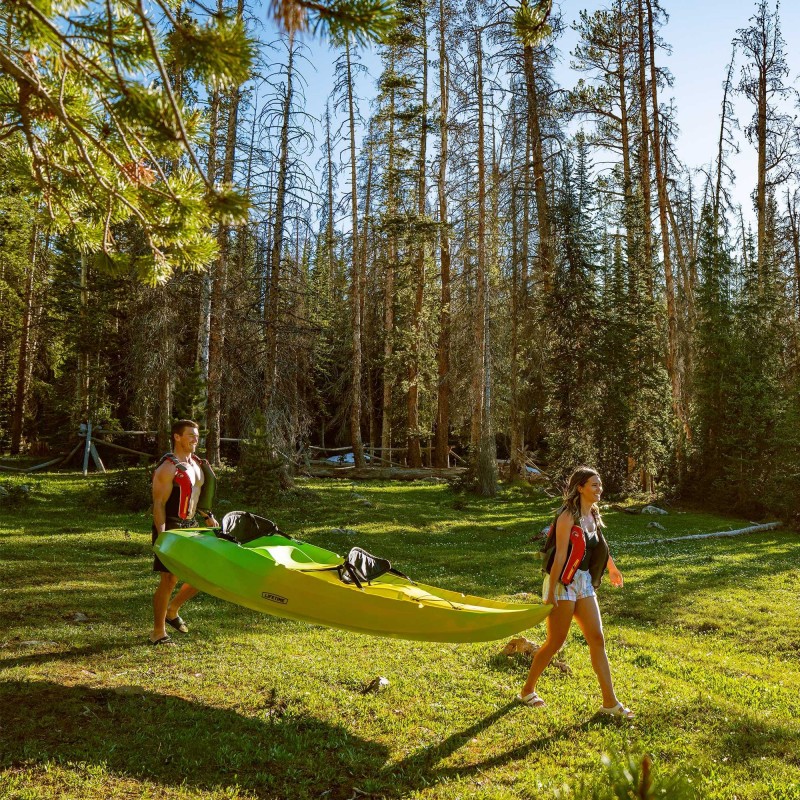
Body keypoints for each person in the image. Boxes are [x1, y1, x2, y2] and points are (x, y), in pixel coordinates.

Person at [518, 466, 634, 719]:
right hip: (562, 583)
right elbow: (560, 555)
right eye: (594, 484)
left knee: (597, 638)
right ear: (580, 487)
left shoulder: (593, 513)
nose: (599, 489)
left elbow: (598, 546)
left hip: (583, 582)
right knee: (555, 642)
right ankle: (527, 690)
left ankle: (610, 703)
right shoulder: (567, 516)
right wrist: (550, 596)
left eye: (600, 484)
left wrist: (612, 569)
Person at [149, 419, 218, 645]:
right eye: (190, 435)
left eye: (197, 435)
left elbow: (195, 496)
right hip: (170, 525)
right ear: (177, 437)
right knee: (169, 580)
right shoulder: (168, 467)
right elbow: (158, 503)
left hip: (190, 525)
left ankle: (173, 609)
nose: (195, 439)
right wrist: (162, 535)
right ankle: (158, 632)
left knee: (204, 575)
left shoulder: (197, 464)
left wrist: (207, 516)